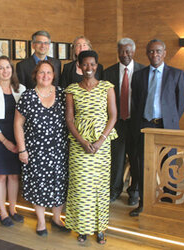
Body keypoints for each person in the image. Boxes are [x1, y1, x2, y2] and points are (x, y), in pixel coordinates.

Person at [129, 39, 184, 217]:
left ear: (164, 52)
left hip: (166, 127)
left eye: (158, 51)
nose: (155, 54)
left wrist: (170, 120)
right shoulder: (139, 75)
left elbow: (181, 102)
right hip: (145, 126)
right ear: (147, 54)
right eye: (151, 51)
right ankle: (144, 204)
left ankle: (167, 204)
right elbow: (137, 101)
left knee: (168, 166)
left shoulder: (176, 74)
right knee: (143, 166)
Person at [65, 50, 117, 244]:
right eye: (85, 64)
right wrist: (82, 141)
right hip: (79, 146)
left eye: (92, 64)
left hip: (102, 146)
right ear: (79, 66)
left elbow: (113, 116)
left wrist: (100, 141)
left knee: (100, 187)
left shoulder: (107, 87)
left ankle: (100, 228)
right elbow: (69, 119)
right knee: (80, 188)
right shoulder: (72, 89)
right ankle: (82, 228)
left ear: (97, 65)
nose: (89, 68)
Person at [14, 61, 68, 236]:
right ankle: (42, 221)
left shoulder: (62, 94)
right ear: (35, 75)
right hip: (35, 151)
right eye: (41, 72)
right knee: (39, 186)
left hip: (59, 151)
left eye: (49, 73)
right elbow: (17, 124)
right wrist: (22, 149)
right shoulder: (28, 96)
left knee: (59, 185)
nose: (45, 76)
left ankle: (57, 218)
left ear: (54, 75)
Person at [0, 56, 26, 226]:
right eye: (1, 68)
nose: (5, 71)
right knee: (1, 176)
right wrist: (5, 141)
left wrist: (19, 141)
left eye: (7, 67)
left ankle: (13, 209)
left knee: (14, 176)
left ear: (11, 69)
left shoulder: (21, 89)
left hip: (17, 135)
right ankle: (3, 212)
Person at [104, 38, 145, 205]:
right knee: (116, 159)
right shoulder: (108, 72)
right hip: (117, 122)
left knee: (136, 159)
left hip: (136, 123)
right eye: (121, 51)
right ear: (118, 52)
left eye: (128, 51)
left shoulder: (143, 71)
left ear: (133, 52)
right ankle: (115, 190)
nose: (125, 54)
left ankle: (134, 192)